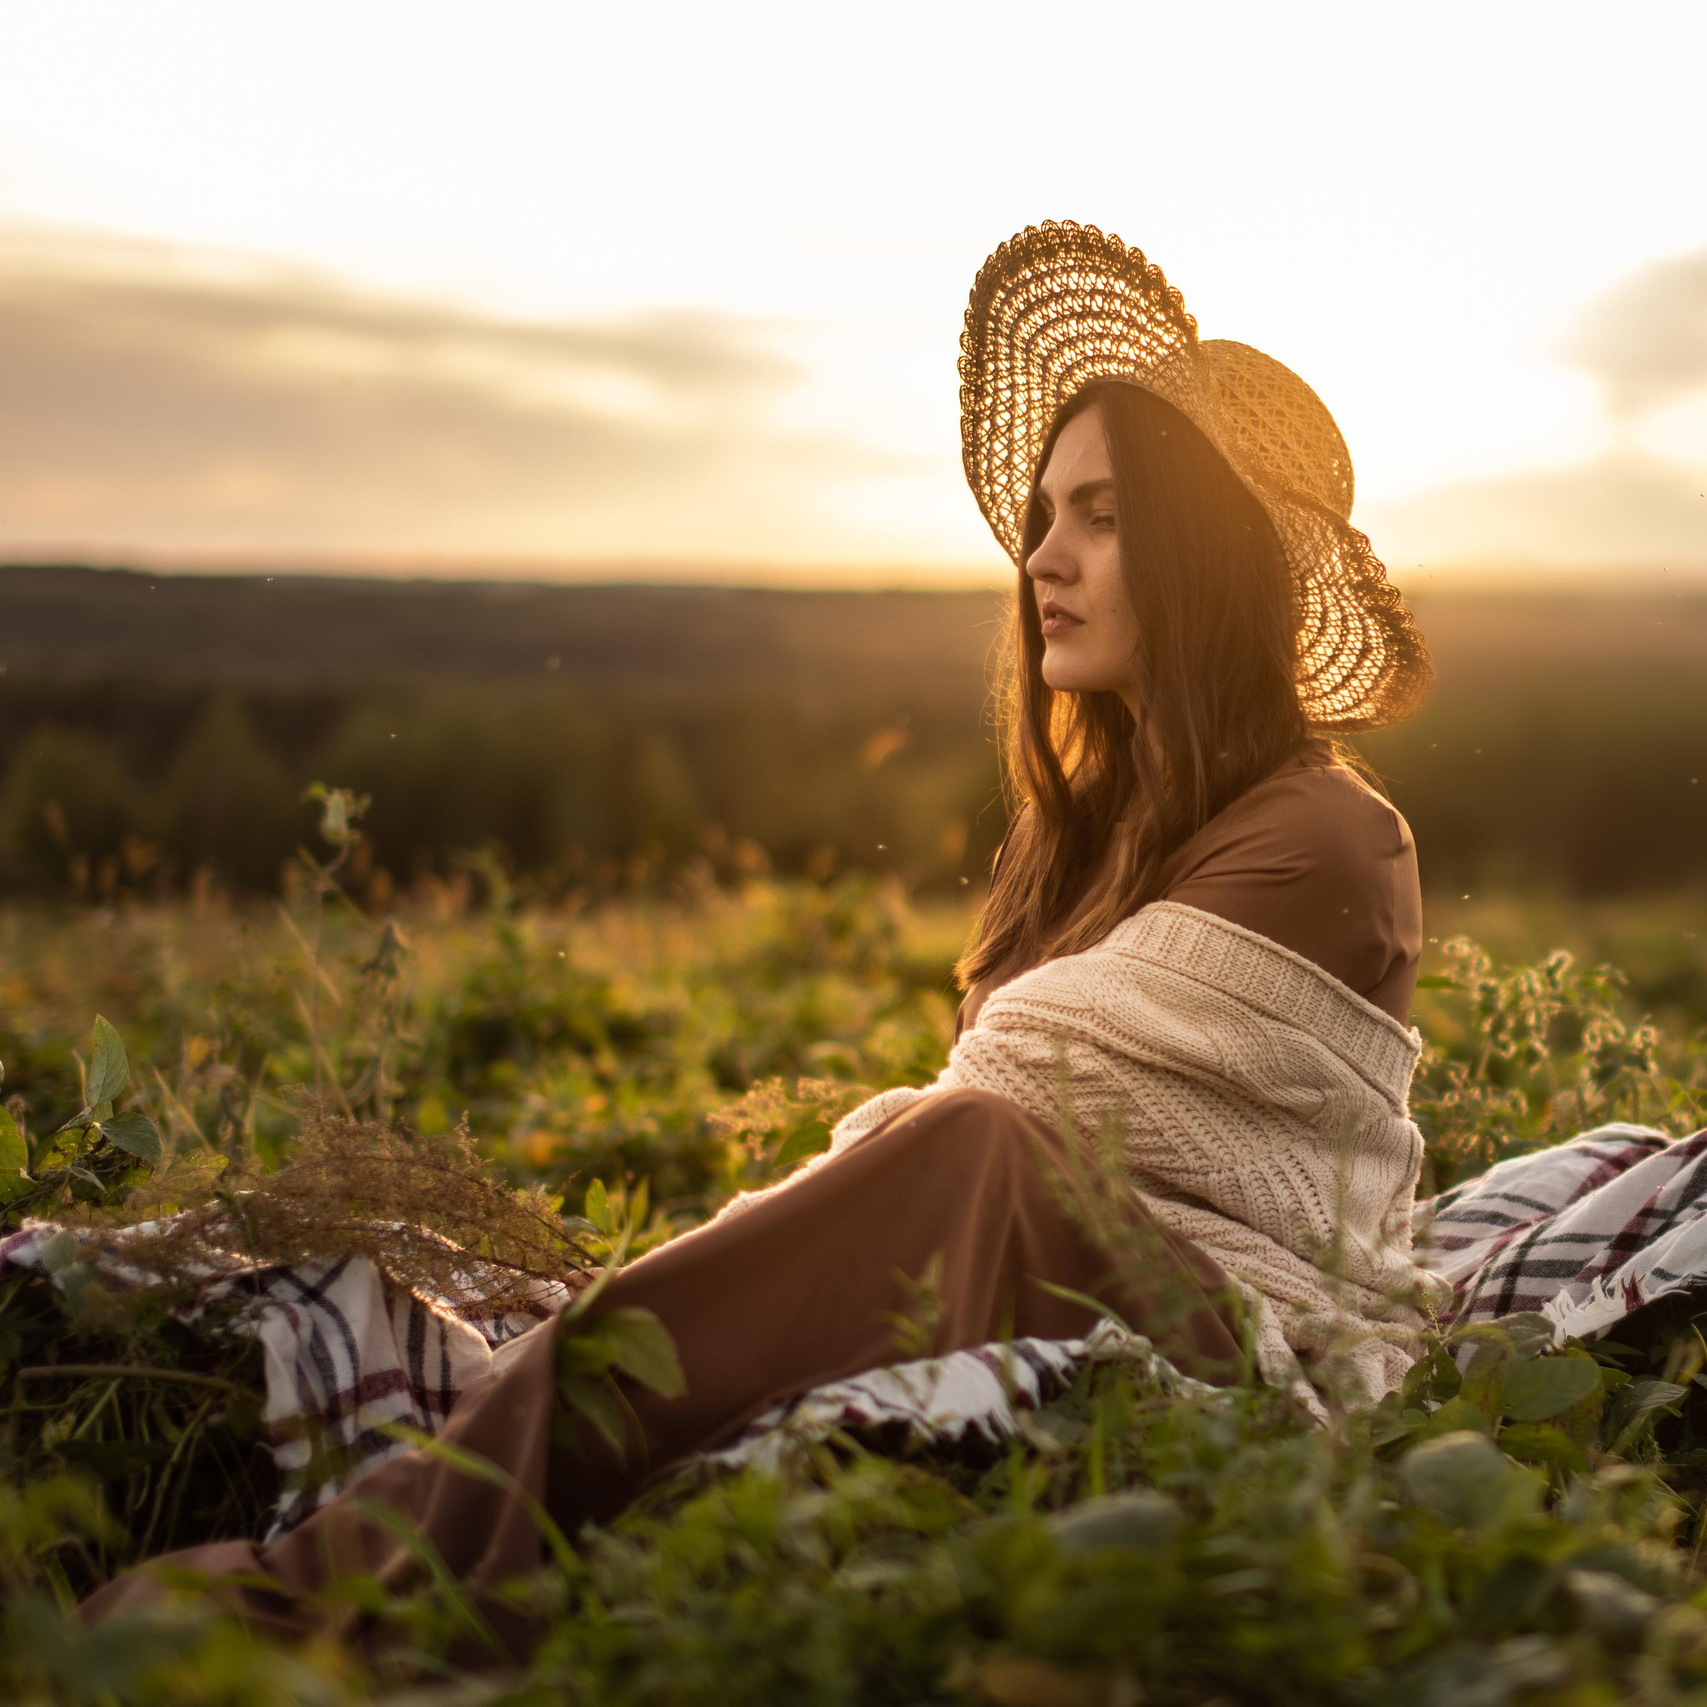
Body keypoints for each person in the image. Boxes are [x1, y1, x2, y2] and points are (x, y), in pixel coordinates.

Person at [84, 221, 1441, 1658]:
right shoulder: (1079, 847)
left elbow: (1025, 1110)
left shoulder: (1331, 837)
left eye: (1102, 518)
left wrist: (900, 1184)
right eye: (1045, 514)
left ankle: (353, 1588)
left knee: (970, 1154)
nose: (1042, 557)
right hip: (1047, 1268)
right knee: (943, 1172)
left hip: (1243, 1340)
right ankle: (528, 1480)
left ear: (1210, 557)